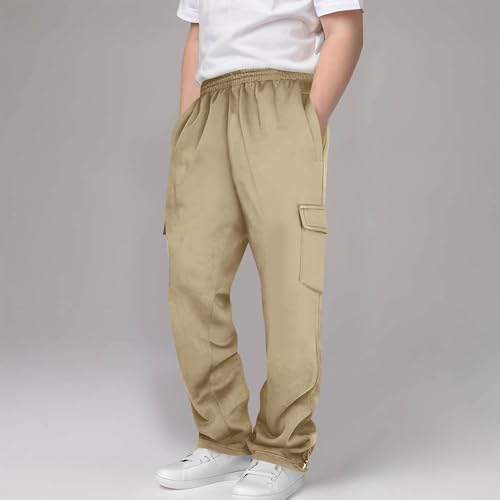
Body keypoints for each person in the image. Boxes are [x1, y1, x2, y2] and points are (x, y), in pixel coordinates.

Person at [157, 1, 364, 499]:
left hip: (281, 99)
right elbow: (197, 35)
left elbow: (345, 30)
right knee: (192, 280)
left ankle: (283, 449)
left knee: (290, 284)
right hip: (210, 105)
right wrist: (187, 126)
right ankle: (222, 437)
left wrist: (307, 123)